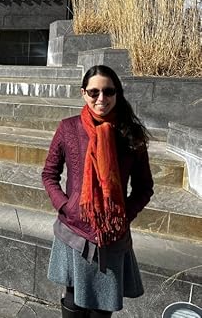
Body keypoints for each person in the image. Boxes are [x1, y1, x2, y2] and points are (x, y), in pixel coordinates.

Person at [42, 65, 154, 318]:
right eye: (94, 92)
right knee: (73, 298)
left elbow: (144, 187)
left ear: (117, 93)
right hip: (73, 231)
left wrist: (122, 215)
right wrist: (65, 205)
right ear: (83, 93)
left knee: (103, 303)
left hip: (112, 234)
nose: (101, 98)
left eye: (108, 91)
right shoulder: (68, 128)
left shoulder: (130, 133)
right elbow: (49, 174)